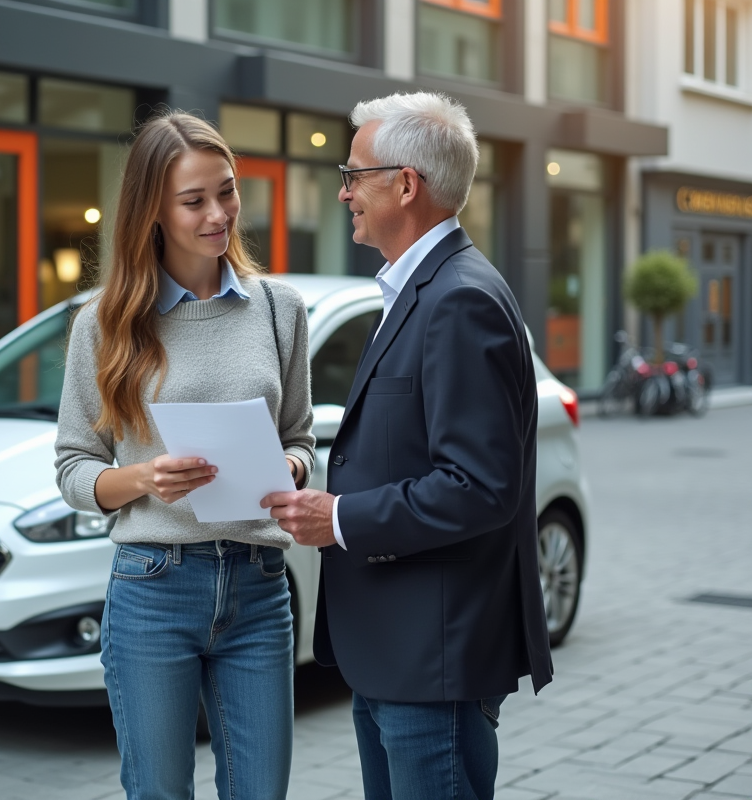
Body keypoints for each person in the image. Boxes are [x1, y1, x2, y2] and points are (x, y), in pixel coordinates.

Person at [262, 91, 553, 800]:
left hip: (433, 661)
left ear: (405, 184)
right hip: (398, 654)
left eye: (355, 173)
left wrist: (339, 518)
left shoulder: (459, 298)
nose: (344, 191)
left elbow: (480, 486)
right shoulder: (422, 287)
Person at [54, 111, 315, 800]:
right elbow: (74, 468)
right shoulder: (104, 322)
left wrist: (287, 468)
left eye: (225, 192)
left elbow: (300, 436)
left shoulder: (278, 310)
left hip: (260, 587)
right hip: (153, 588)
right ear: (153, 211)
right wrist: (143, 477)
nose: (218, 214)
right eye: (194, 200)